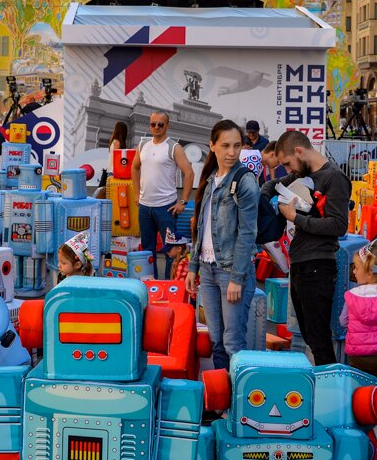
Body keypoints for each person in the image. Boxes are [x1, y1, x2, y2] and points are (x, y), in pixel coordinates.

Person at [262, 130, 351, 366]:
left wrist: (295, 217)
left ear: (299, 152)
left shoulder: (334, 177)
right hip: (301, 262)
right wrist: (258, 198)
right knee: (310, 336)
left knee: (319, 338)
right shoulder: (303, 173)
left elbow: (339, 225)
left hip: (318, 265)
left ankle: (328, 388)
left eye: (288, 164)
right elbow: (273, 185)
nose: (288, 171)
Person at [185, 120, 258, 370]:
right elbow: (201, 226)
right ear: (212, 146)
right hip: (207, 269)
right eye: (225, 145)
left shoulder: (245, 181)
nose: (231, 152)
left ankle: (237, 403)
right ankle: (219, 401)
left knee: (233, 342)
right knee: (216, 339)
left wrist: (237, 278)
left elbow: (248, 233)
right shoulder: (210, 180)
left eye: (237, 146)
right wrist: (193, 266)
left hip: (231, 271)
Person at [131, 111, 194, 279]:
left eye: (161, 124)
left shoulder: (173, 147)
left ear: (167, 125)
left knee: (171, 251)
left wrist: (183, 201)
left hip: (166, 207)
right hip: (145, 207)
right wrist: (136, 193)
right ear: (149, 125)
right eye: (153, 124)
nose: (156, 127)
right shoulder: (143, 145)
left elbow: (189, 173)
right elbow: (134, 167)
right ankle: (151, 287)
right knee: (147, 250)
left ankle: (169, 288)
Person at [338, 242, 377, 378]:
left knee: (359, 386)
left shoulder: (352, 295)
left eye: (356, 268)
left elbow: (343, 322)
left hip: (358, 356)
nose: (354, 271)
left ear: (369, 274)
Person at [96, 121, 129, 198]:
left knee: (111, 197)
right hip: (114, 173)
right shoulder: (118, 143)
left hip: (111, 172)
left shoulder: (113, 141)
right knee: (113, 198)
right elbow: (118, 160)